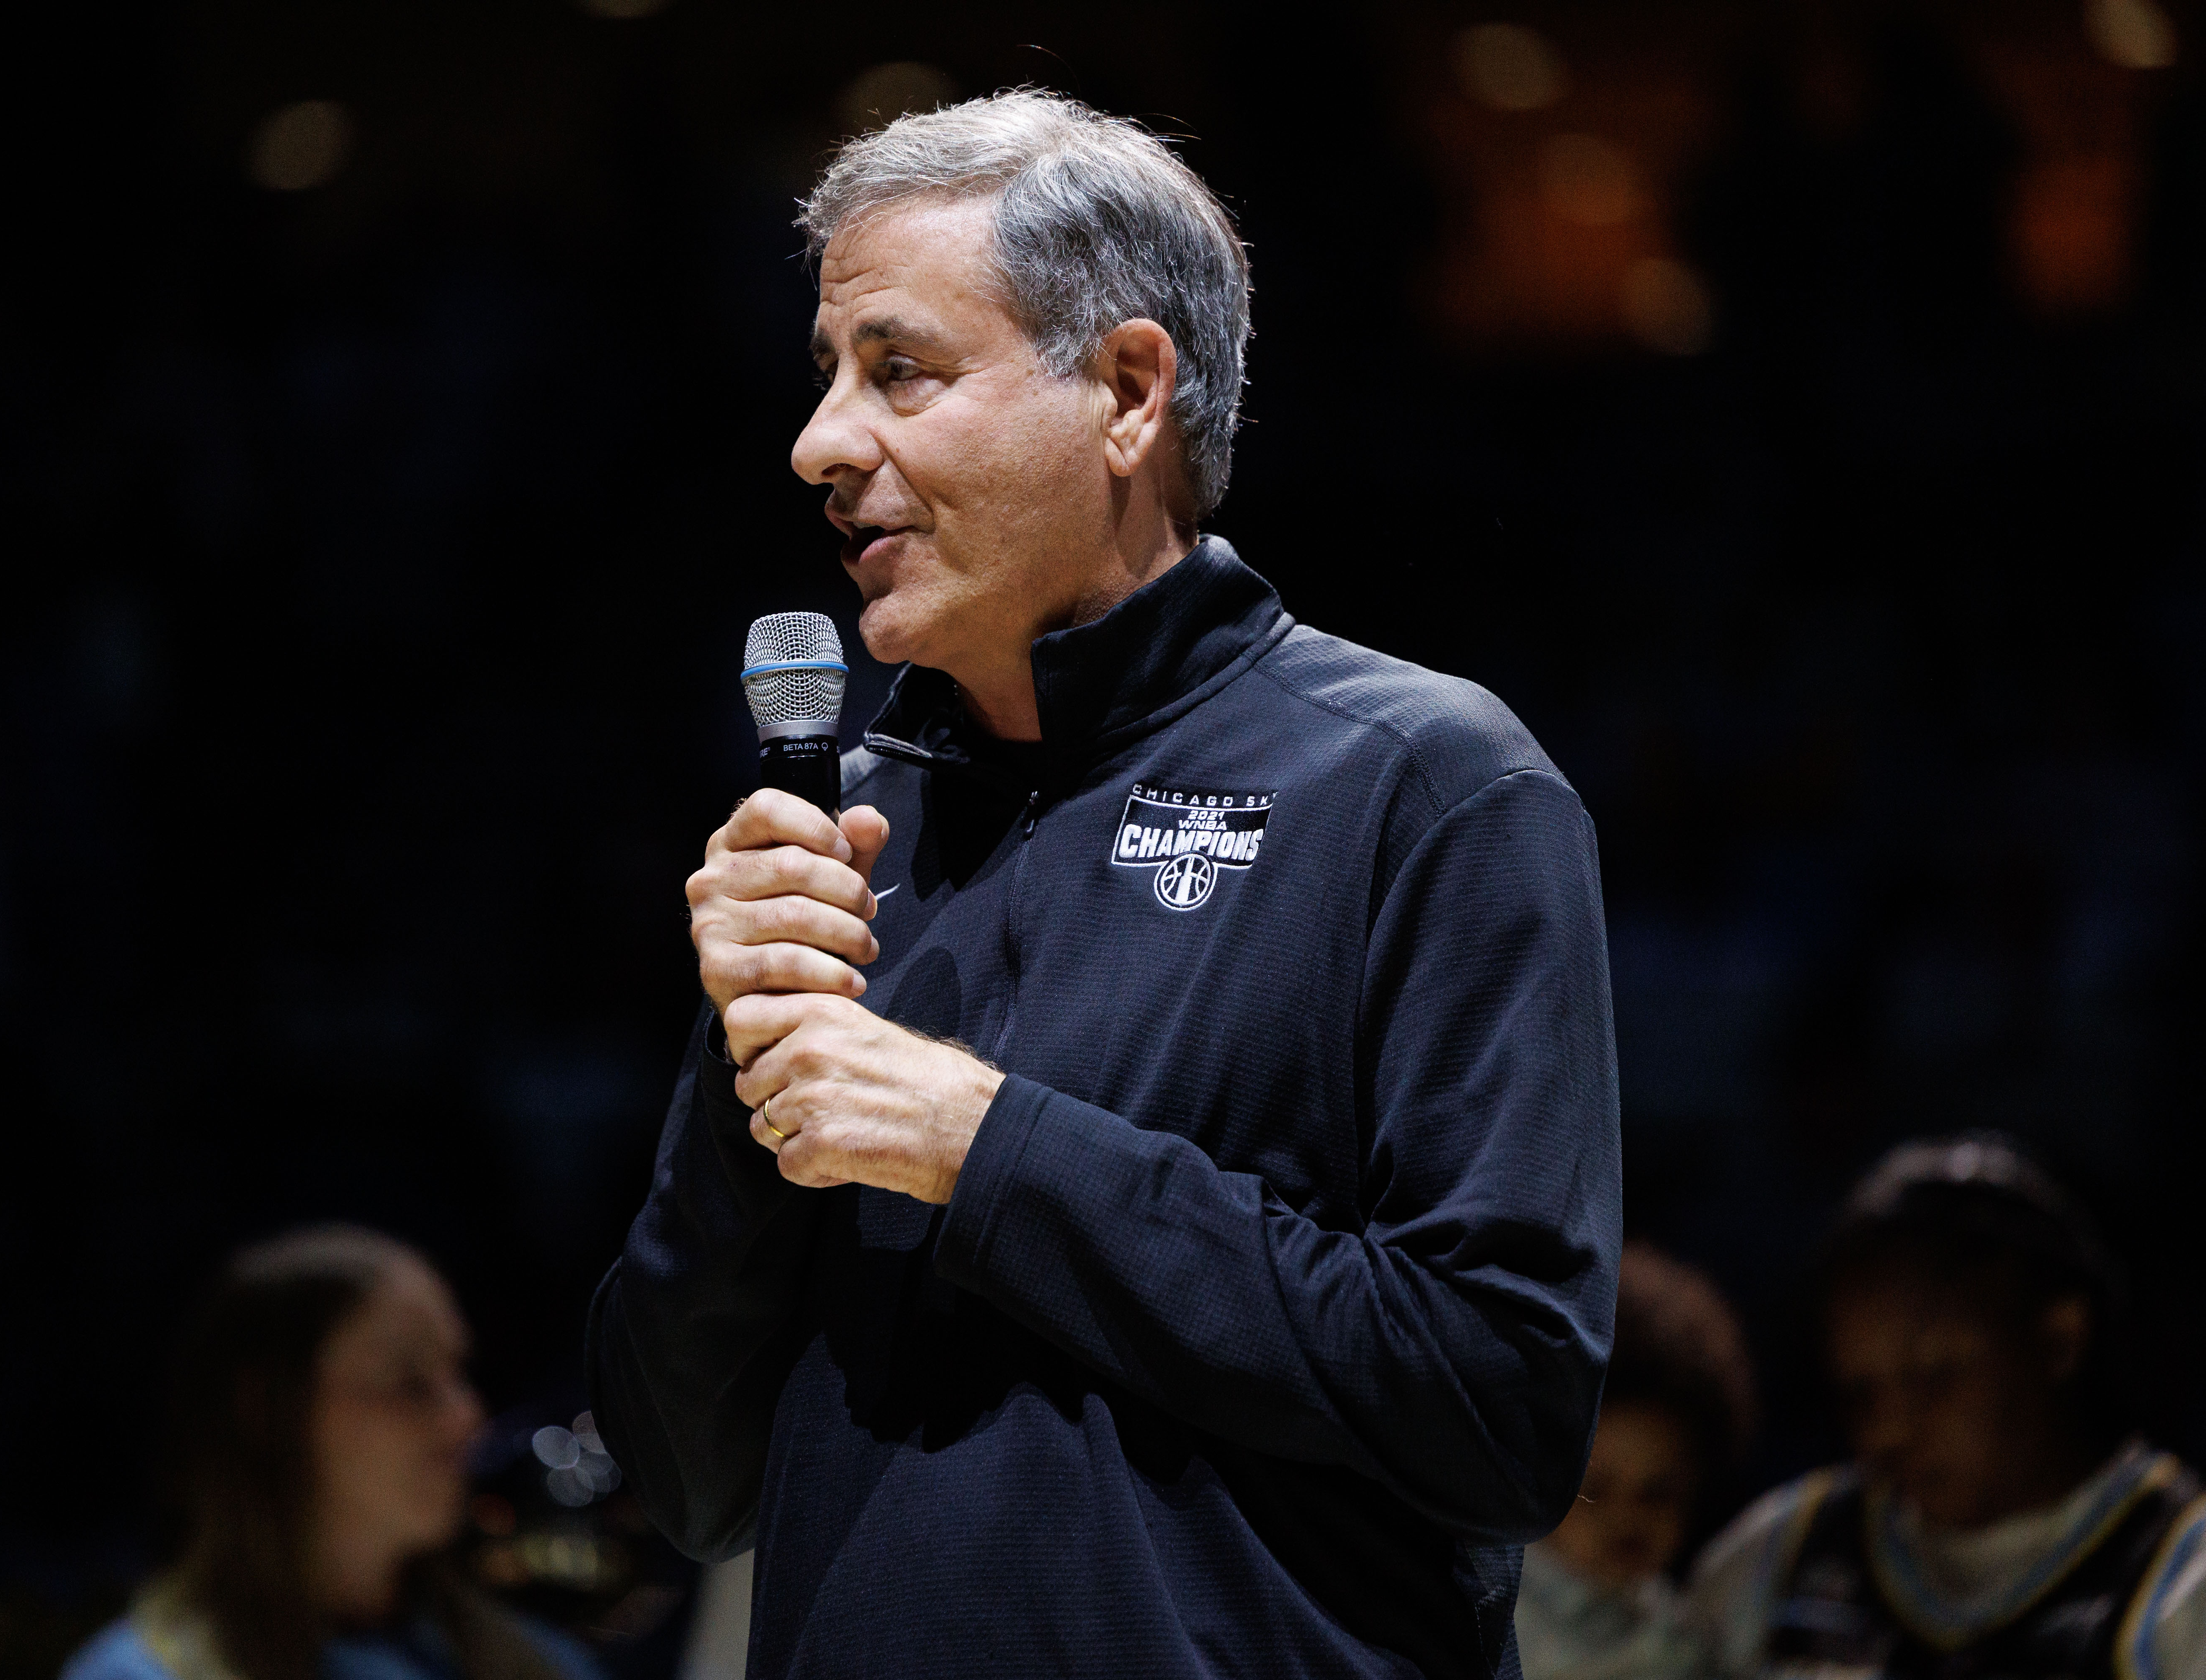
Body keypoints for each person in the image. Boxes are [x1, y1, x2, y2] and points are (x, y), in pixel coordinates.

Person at [585, 89, 1622, 1679]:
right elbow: (687, 1475)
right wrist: (749, 1075)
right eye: (826, 378)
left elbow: (1495, 1404)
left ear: (1128, 390)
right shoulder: (839, 829)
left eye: (901, 370)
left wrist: (983, 1146)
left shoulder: (1424, 784)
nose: (817, 444)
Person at [1688, 1135, 2206, 1680]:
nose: (1887, 1430)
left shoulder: (2182, 1579)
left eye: (1932, 1378)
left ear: (2060, 1340)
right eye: (1861, 1393)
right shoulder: (1777, 1558)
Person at [64, 1226, 598, 1680]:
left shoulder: (536, 1663)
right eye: (410, 1382)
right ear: (268, 1412)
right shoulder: (140, 1671)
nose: (466, 1417)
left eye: (458, 1374)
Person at [1519, 1244, 1756, 1680]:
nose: (1627, 1518)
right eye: (1596, 1490)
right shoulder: (1486, 1620)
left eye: (1658, 1494)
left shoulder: (1684, 1637)